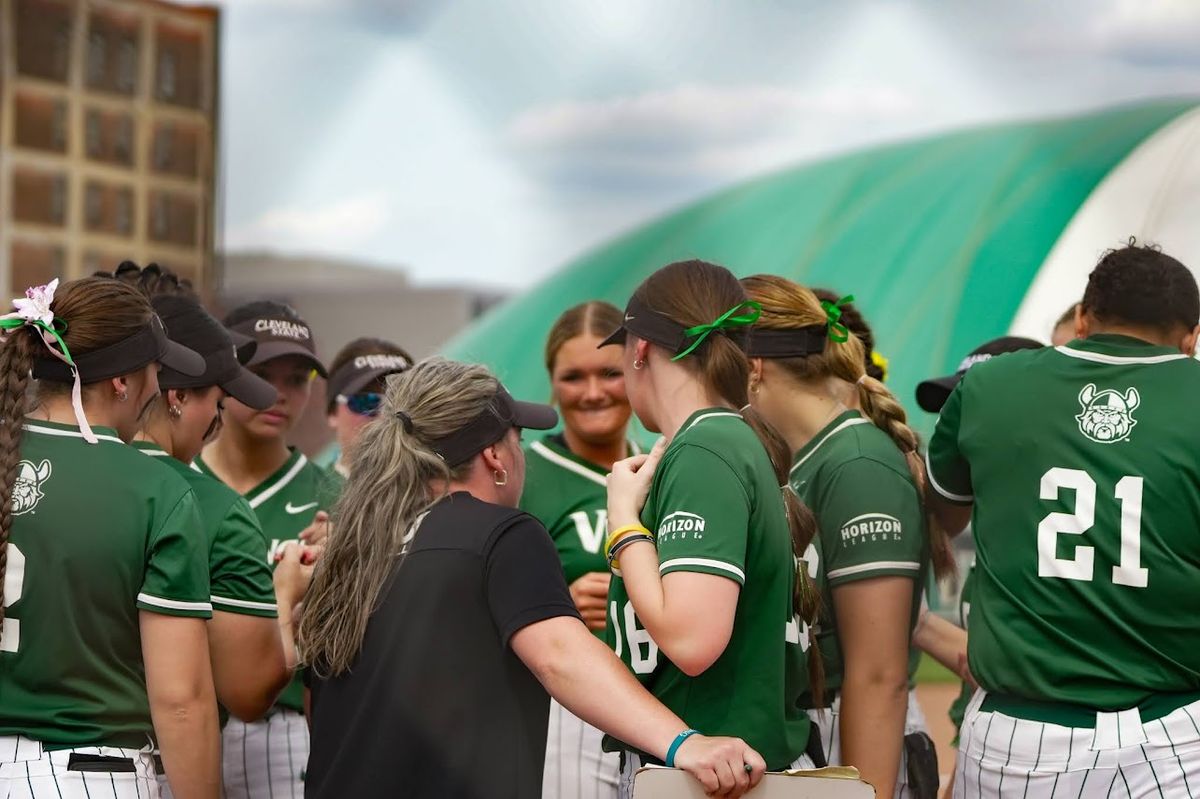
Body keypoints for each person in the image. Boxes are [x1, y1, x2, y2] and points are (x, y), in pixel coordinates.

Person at [300, 357, 766, 799]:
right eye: (517, 439)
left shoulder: (351, 547)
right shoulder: (501, 534)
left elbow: (316, 703)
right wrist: (684, 743)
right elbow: (557, 656)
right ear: (494, 457)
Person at [926, 242, 1200, 797]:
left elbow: (942, 520)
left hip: (1021, 735)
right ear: (1192, 336)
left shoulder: (989, 385)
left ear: (1082, 318)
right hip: (1177, 730)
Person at [598, 260, 820, 799]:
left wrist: (624, 523)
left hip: (710, 774)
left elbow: (692, 640)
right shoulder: (721, 438)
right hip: (717, 767)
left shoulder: (705, 448)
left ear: (641, 350)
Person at [0, 276, 219, 798]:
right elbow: (181, 699)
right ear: (121, 382)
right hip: (86, 776)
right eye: (152, 371)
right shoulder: (155, 487)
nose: (155, 387)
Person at [740, 273, 955, 799]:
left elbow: (879, 676)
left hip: (848, 742)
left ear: (751, 367)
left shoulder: (856, 462)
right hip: (805, 735)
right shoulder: (796, 458)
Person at [105, 264, 320, 742]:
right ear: (177, 394)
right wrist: (284, 596)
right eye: (218, 404)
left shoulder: (54, 470)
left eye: (298, 377)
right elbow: (245, 692)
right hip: (141, 754)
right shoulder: (204, 500)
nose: (217, 421)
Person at [196, 301, 341, 798]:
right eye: (260, 372)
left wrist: (342, 569)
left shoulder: (334, 499)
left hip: (283, 724)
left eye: (298, 378)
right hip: (182, 713)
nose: (279, 393)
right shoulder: (174, 483)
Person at [915, 334, 1044, 799]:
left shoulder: (1041, 548)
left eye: (972, 412)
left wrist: (914, 622)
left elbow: (1008, 667)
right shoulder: (1001, 533)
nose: (958, 432)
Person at [521, 301, 640, 799]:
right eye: (573, 377)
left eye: (609, 373)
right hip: (563, 709)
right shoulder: (522, 474)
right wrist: (554, 606)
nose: (592, 393)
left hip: (660, 696)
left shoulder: (665, 466)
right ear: (551, 381)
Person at [324, 337, 413, 477]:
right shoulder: (308, 496)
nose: (384, 416)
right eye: (365, 401)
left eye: (398, 403)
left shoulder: (446, 489)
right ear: (332, 412)